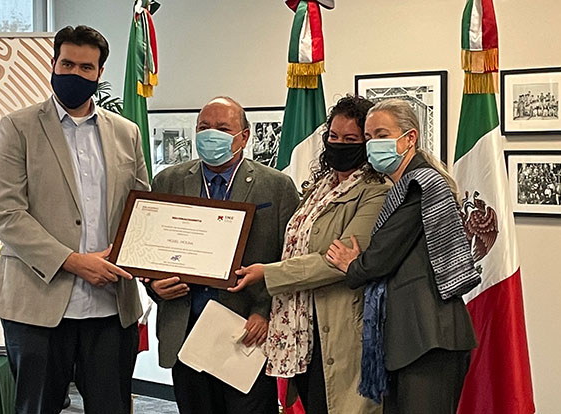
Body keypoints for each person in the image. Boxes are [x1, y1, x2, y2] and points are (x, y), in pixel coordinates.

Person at [0, 25, 149, 413]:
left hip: (111, 308)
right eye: (67, 63)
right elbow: (6, 213)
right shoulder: (18, 127)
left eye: (86, 68)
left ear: (99, 73)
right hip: (37, 306)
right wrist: (75, 263)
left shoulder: (127, 133)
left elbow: (142, 209)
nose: (74, 74)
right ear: (53, 64)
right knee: (37, 407)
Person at [229, 96, 390, 414]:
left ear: (367, 143)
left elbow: (338, 262)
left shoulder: (375, 190)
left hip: (339, 326)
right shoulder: (320, 186)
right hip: (300, 326)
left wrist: (268, 272)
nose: (339, 145)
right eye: (333, 136)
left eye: (350, 139)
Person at [144, 96, 299, 414]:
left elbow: (291, 259)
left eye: (222, 128)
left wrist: (265, 311)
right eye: (204, 127)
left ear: (244, 136)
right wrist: (153, 286)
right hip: (185, 330)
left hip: (246, 331)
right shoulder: (167, 181)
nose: (210, 134)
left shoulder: (277, 187)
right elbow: (151, 252)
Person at [325, 99, 480, 414]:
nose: (373, 145)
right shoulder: (408, 182)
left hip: (428, 336)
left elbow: (383, 256)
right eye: (368, 138)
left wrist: (353, 265)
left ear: (410, 138)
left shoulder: (418, 184)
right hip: (414, 337)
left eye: (382, 135)